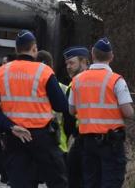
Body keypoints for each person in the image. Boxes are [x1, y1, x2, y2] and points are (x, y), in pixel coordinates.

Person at [0, 30, 69, 188]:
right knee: (59, 181)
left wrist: (10, 126)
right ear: (35, 49)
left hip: (14, 136)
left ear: (16, 49)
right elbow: (61, 105)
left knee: (20, 182)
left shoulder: (2, 72)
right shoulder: (44, 71)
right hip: (42, 136)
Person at [69, 38, 134, 188]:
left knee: (91, 182)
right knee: (111, 182)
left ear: (92, 54)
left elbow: (72, 110)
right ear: (111, 57)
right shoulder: (116, 80)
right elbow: (128, 112)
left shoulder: (77, 80)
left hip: (87, 143)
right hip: (111, 143)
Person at [63, 46, 89, 188]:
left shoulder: (78, 84)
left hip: (80, 137)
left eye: (72, 63)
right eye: (67, 64)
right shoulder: (76, 83)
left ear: (84, 62)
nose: (68, 67)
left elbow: (70, 117)